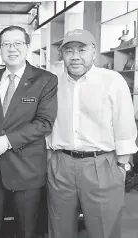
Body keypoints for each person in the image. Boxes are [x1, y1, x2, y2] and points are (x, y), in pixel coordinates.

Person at [46, 29, 137, 238]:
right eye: (69, 51)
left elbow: (124, 124)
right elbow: (48, 122)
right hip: (61, 165)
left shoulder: (112, 81)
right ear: (63, 55)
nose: (75, 56)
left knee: (104, 229)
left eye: (82, 49)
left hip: (102, 164)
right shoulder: (53, 83)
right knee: (59, 228)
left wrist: (123, 166)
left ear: (93, 52)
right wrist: (50, 158)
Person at [0, 25, 58, 238]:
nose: (12, 49)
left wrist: (7, 140)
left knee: (26, 231)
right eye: (6, 44)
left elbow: (44, 123)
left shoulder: (46, 80)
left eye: (18, 43)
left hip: (26, 170)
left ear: (27, 46)